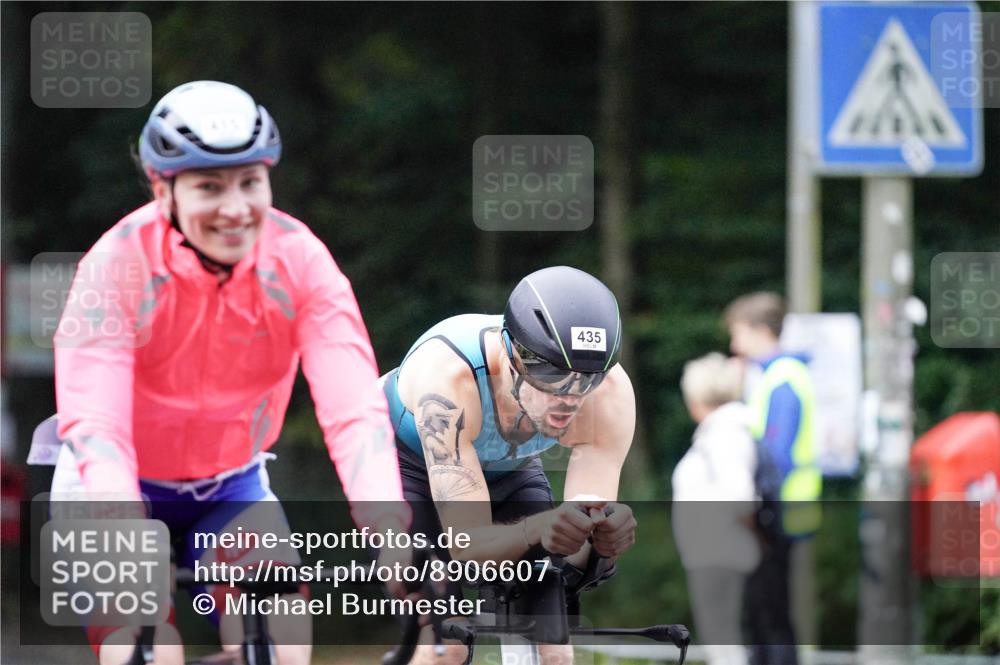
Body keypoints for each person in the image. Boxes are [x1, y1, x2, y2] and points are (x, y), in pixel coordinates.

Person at [48, 81, 412, 665]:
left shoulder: (300, 260)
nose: (236, 208)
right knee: (146, 651)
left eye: (251, 182)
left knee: (282, 648)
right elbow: (97, 425)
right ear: (161, 188)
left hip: (230, 486)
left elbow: (353, 412)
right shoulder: (116, 266)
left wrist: (390, 532)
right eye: (209, 187)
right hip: (112, 487)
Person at [382, 265, 639, 665]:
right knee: (444, 646)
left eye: (586, 380)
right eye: (552, 375)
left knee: (554, 651)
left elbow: (571, 560)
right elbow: (466, 548)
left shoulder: (609, 394)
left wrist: (600, 543)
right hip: (403, 459)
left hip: (508, 468)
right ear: (512, 354)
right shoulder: (448, 380)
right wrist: (540, 527)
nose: (570, 399)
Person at [724, 292, 821, 665]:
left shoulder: (782, 379)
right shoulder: (775, 376)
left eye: (739, 333)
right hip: (777, 509)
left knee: (770, 615)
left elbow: (775, 456)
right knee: (767, 611)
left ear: (761, 331)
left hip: (775, 511)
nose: (735, 345)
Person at [672, 353, 759, 665]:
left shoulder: (724, 434)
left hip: (719, 551)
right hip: (716, 550)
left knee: (722, 640)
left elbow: (740, 495)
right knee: (723, 638)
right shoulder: (722, 431)